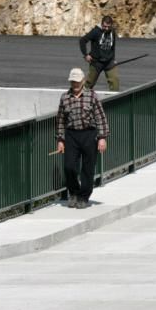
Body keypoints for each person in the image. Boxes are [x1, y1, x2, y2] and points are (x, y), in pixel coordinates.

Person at [55, 68, 110, 209]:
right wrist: (60, 139)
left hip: (89, 134)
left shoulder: (91, 96)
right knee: (69, 166)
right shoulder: (65, 98)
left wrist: (102, 137)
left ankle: (83, 197)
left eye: (77, 81)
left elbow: (100, 117)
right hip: (71, 135)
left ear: (83, 81)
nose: (75, 84)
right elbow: (60, 120)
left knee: (88, 167)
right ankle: (73, 192)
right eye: (73, 81)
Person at [79, 16, 120, 91]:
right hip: (96, 62)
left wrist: (113, 59)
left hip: (109, 62)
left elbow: (113, 46)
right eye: (104, 26)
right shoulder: (95, 31)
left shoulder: (112, 32)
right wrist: (85, 55)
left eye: (108, 26)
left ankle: (114, 100)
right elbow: (82, 40)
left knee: (115, 83)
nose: (106, 28)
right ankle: (80, 97)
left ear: (111, 25)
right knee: (89, 84)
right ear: (101, 24)